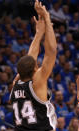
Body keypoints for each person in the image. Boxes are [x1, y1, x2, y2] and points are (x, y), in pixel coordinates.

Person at [10, 0, 57, 130]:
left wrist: (38, 33)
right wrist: (47, 19)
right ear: (35, 70)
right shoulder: (37, 83)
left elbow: (30, 59)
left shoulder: (15, 84)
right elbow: (51, 53)